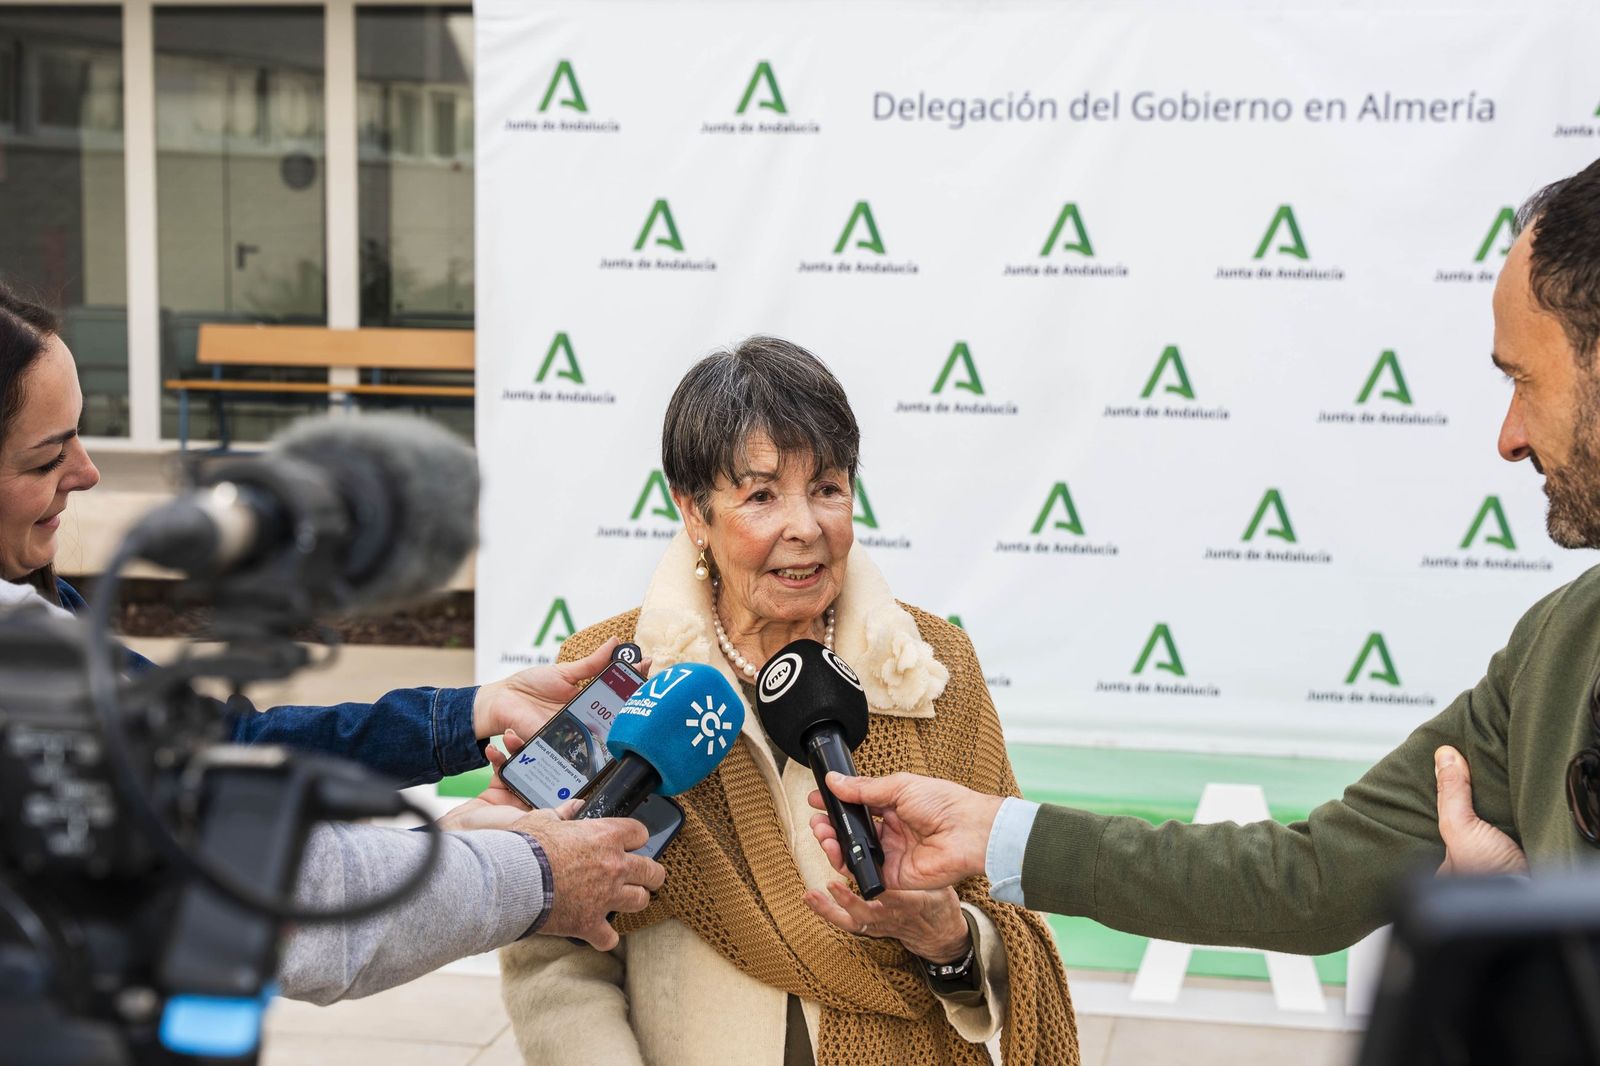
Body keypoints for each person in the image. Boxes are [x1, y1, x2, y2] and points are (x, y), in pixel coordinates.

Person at [808, 157, 1600, 955]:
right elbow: (1312, 879)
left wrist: (1533, 933)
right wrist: (997, 834)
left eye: (1524, 380)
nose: (1509, 438)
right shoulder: (1557, 647)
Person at [0, 284, 663, 997]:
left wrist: (468, 719)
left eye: (80, 436)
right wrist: (534, 874)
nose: (87, 472)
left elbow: (222, 753)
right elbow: (267, 888)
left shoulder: (38, 623)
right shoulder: (25, 673)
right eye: (46, 459)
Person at [498, 338, 1077, 1066]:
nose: (805, 525)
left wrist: (946, 938)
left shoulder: (932, 666)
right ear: (695, 512)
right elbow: (554, 949)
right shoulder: (616, 675)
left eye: (828, 487)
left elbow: (1008, 915)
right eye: (762, 495)